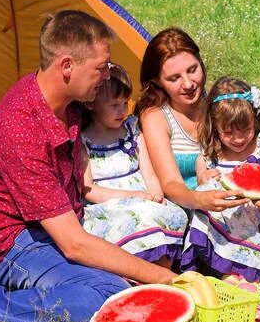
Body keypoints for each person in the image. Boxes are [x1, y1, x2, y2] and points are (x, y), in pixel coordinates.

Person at [0, 10, 176, 322]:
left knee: (129, 277)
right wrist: (164, 278)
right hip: (10, 241)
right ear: (67, 66)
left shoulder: (70, 101)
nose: (107, 75)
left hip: (58, 223)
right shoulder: (22, 131)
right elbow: (73, 244)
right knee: (106, 296)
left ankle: (47, 285)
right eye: (101, 67)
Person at [135, 28, 260, 283]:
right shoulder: (156, 116)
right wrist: (201, 199)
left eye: (192, 70)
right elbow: (171, 185)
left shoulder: (222, 103)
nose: (189, 83)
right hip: (212, 230)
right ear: (158, 81)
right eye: (174, 78)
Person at [184, 77, 260, 281]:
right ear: (214, 126)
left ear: (255, 117)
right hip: (228, 242)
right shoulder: (207, 159)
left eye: (246, 129)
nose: (238, 138)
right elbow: (203, 201)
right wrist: (205, 182)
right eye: (227, 132)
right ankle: (228, 273)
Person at [80, 62, 188, 267]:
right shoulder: (83, 141)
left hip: (144, 199)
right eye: (114, 105)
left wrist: (156, 194)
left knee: (165, 215)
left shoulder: (132, 129)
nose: (122, 110)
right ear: (90, 103)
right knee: (133, 221)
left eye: (125, 103)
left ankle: (162, 276)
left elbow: (148, 172)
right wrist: (131, 197)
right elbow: (88, 189)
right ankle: (136, 278)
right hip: (109, 206)